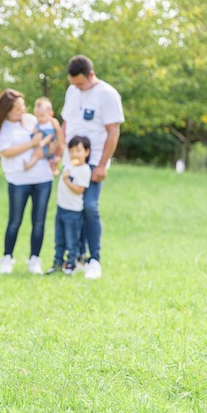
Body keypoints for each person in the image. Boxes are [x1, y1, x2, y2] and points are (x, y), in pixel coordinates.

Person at [59, 55, 124, 279]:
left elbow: (113, 132)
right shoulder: (72, 91)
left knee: (89, 207)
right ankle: (76, 258)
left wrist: (102, 165)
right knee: (71, 209)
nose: (76, 87)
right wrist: (60, 154)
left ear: (91, 76)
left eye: (80, 83)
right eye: (73, 83)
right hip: (71, 160)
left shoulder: (107, 95)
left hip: (93, 160)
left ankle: (94, 259)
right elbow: (66, 123)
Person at [0, 89, 54, 275]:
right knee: (15, 221)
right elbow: (6, 151)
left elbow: (50, 137)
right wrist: (31, 145)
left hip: (42, 178)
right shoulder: (1, 128)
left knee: (38, 221)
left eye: (22, 106)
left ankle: (35, 260)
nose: (21, 110)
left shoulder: (32, 120)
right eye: (16, 108)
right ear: (6, 111)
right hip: (18, 179)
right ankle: (7, 258)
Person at [46, 136, 91, 275]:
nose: (74, 154)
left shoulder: (84, 170)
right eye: (71, 151)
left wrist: (66, 180)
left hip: (73, 211)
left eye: (78, 150)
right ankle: (57, 262)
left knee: (72, 241)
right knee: (59, 239)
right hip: (61, 208)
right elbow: (61, 142)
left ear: (87, 152)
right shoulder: (68, 165)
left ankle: (71, 264)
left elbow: (79, 190)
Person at [23, 97, 63, 176]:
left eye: (42, 116)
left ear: (50, 114)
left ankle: (29, 165)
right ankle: (53, 169)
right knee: (38, 156)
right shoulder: (39, 124)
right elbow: (34, 131)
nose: (39, 119)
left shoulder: (51, 124)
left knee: (36, 156)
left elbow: (51, 135)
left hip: (47, 145)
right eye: (37, 116)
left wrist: (44, 142)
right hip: (43, 146)